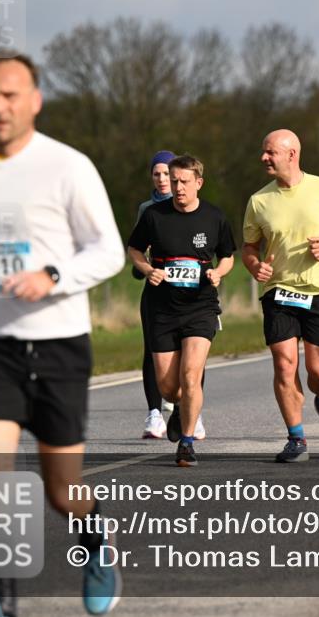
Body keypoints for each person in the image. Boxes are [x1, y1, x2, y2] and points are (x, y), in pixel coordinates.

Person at [0, 52, 124, 616]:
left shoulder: (69, 166)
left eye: (12, 95)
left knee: (62, 493)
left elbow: (107, 250)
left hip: (60, 346)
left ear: (35, 100)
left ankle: (95, 537)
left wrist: (53, 276)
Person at [242, 129, 319, 463]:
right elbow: (249, 248)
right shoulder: (259, 201)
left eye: (270, 152)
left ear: (292, 154)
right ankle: (296, 438)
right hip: (279, 291)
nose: (264, 157)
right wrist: (254, 267)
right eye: (263, 152)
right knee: (284, 362)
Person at [128, 154, 235, 467]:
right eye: (173, 181)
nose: (177, 187)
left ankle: (187, 443)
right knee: (169, 389)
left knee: (191, 375)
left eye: (184, 182)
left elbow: (227, 255)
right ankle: (179, 410)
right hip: (161, 307)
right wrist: (148, 269)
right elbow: (134, 249)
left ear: (198, 183)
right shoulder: (154, 216)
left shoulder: (214, 217)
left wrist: (219, 273)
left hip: (200, 306)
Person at [132, 150, 206, 441]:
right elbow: (137, 249)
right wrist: (145, 268)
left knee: (193, 355)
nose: (164, 181)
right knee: (153, 350)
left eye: (169, 174)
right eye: (157, 174)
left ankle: (191, 412)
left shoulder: (199, 209)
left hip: (193, 297)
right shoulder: (147, 210)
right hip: (159, 293)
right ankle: (154, 413)